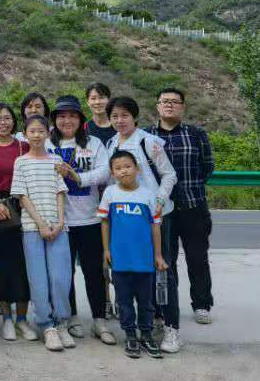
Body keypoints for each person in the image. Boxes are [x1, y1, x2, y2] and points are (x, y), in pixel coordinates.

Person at [104, 96, 179, 352]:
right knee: (135, 274)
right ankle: (150, 323)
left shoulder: (149, 141)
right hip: (126, 218)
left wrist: (159, 199)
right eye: (114, 116)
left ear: (135, 117)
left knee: (162, 270)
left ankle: (171, 327)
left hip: (155, 215)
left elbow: (169, 174)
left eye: (124, 115)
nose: (119, 120)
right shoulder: (111, 143)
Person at [46, 96, 115, 345]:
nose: (67, 120)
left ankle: (99, 320)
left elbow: (105, 172)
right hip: (60, 221)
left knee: (94, 272)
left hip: (89, 219)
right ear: (55, 120)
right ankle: (72, 316)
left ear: (80, 119)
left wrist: (77, 177)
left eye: (72, 116)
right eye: (62, 116)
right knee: (64, 273)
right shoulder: (47, 144)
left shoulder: (94, 143)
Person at [146, 88, 215, 326]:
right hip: (160, 209)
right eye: (164, 101)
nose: (169, 105)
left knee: (197, 258)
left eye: (175, 102)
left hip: (193, 206)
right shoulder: (146, 135)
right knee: (165, 260)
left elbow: (207, 166)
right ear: (157, 106)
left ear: (183, 107)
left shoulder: (196, 134)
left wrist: (189, 188)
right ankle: (165, 306)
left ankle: (202, 304)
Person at [10, 115, 73, 352]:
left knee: (60, 277)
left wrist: (60, 221)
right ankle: (47, 325)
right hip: (32, 228)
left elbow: (60, 191)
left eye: (40, 131)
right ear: (25, 134)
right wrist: (40, 225)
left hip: (58, 227)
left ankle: (62, 322)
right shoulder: (21, 162)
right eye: (32, 131)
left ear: (48, 133)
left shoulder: (56, 159)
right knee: (38, 279)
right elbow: (22, 196)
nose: (36, 135)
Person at [99, 150, 168, 359]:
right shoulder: (110, 193)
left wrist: (158, 255)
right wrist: (107, 250)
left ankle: (146, 334)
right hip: (120, 259)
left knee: (146, 302)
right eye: (118, 168)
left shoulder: (148, 194)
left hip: (144, 259)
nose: (124, 171)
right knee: (124, 301)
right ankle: (130, 334)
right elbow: (105, 223)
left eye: (128, 166)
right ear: (112, 173)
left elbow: (155, 226)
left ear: (137, 169)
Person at [0, 103, 36, 341]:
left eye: (7, 118)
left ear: (14, 120)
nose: (3, 123)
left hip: (22, 206)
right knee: (0, 265)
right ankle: (7, 318)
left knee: (22, 264)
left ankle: (22, 319)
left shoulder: (23, 145)